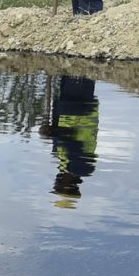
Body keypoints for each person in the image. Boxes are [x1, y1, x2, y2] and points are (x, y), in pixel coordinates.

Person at [43, 74, 100, 206]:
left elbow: (64, 137)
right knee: (81, 72)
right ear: (69, 186)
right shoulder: (82, 168)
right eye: (58, 186)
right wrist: (53, 134)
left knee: (71, 71)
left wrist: (52, 129)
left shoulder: (65, 166)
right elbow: (72, 143)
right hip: (79, 107)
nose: (55, 182)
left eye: (56, 186)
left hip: (69, 107)